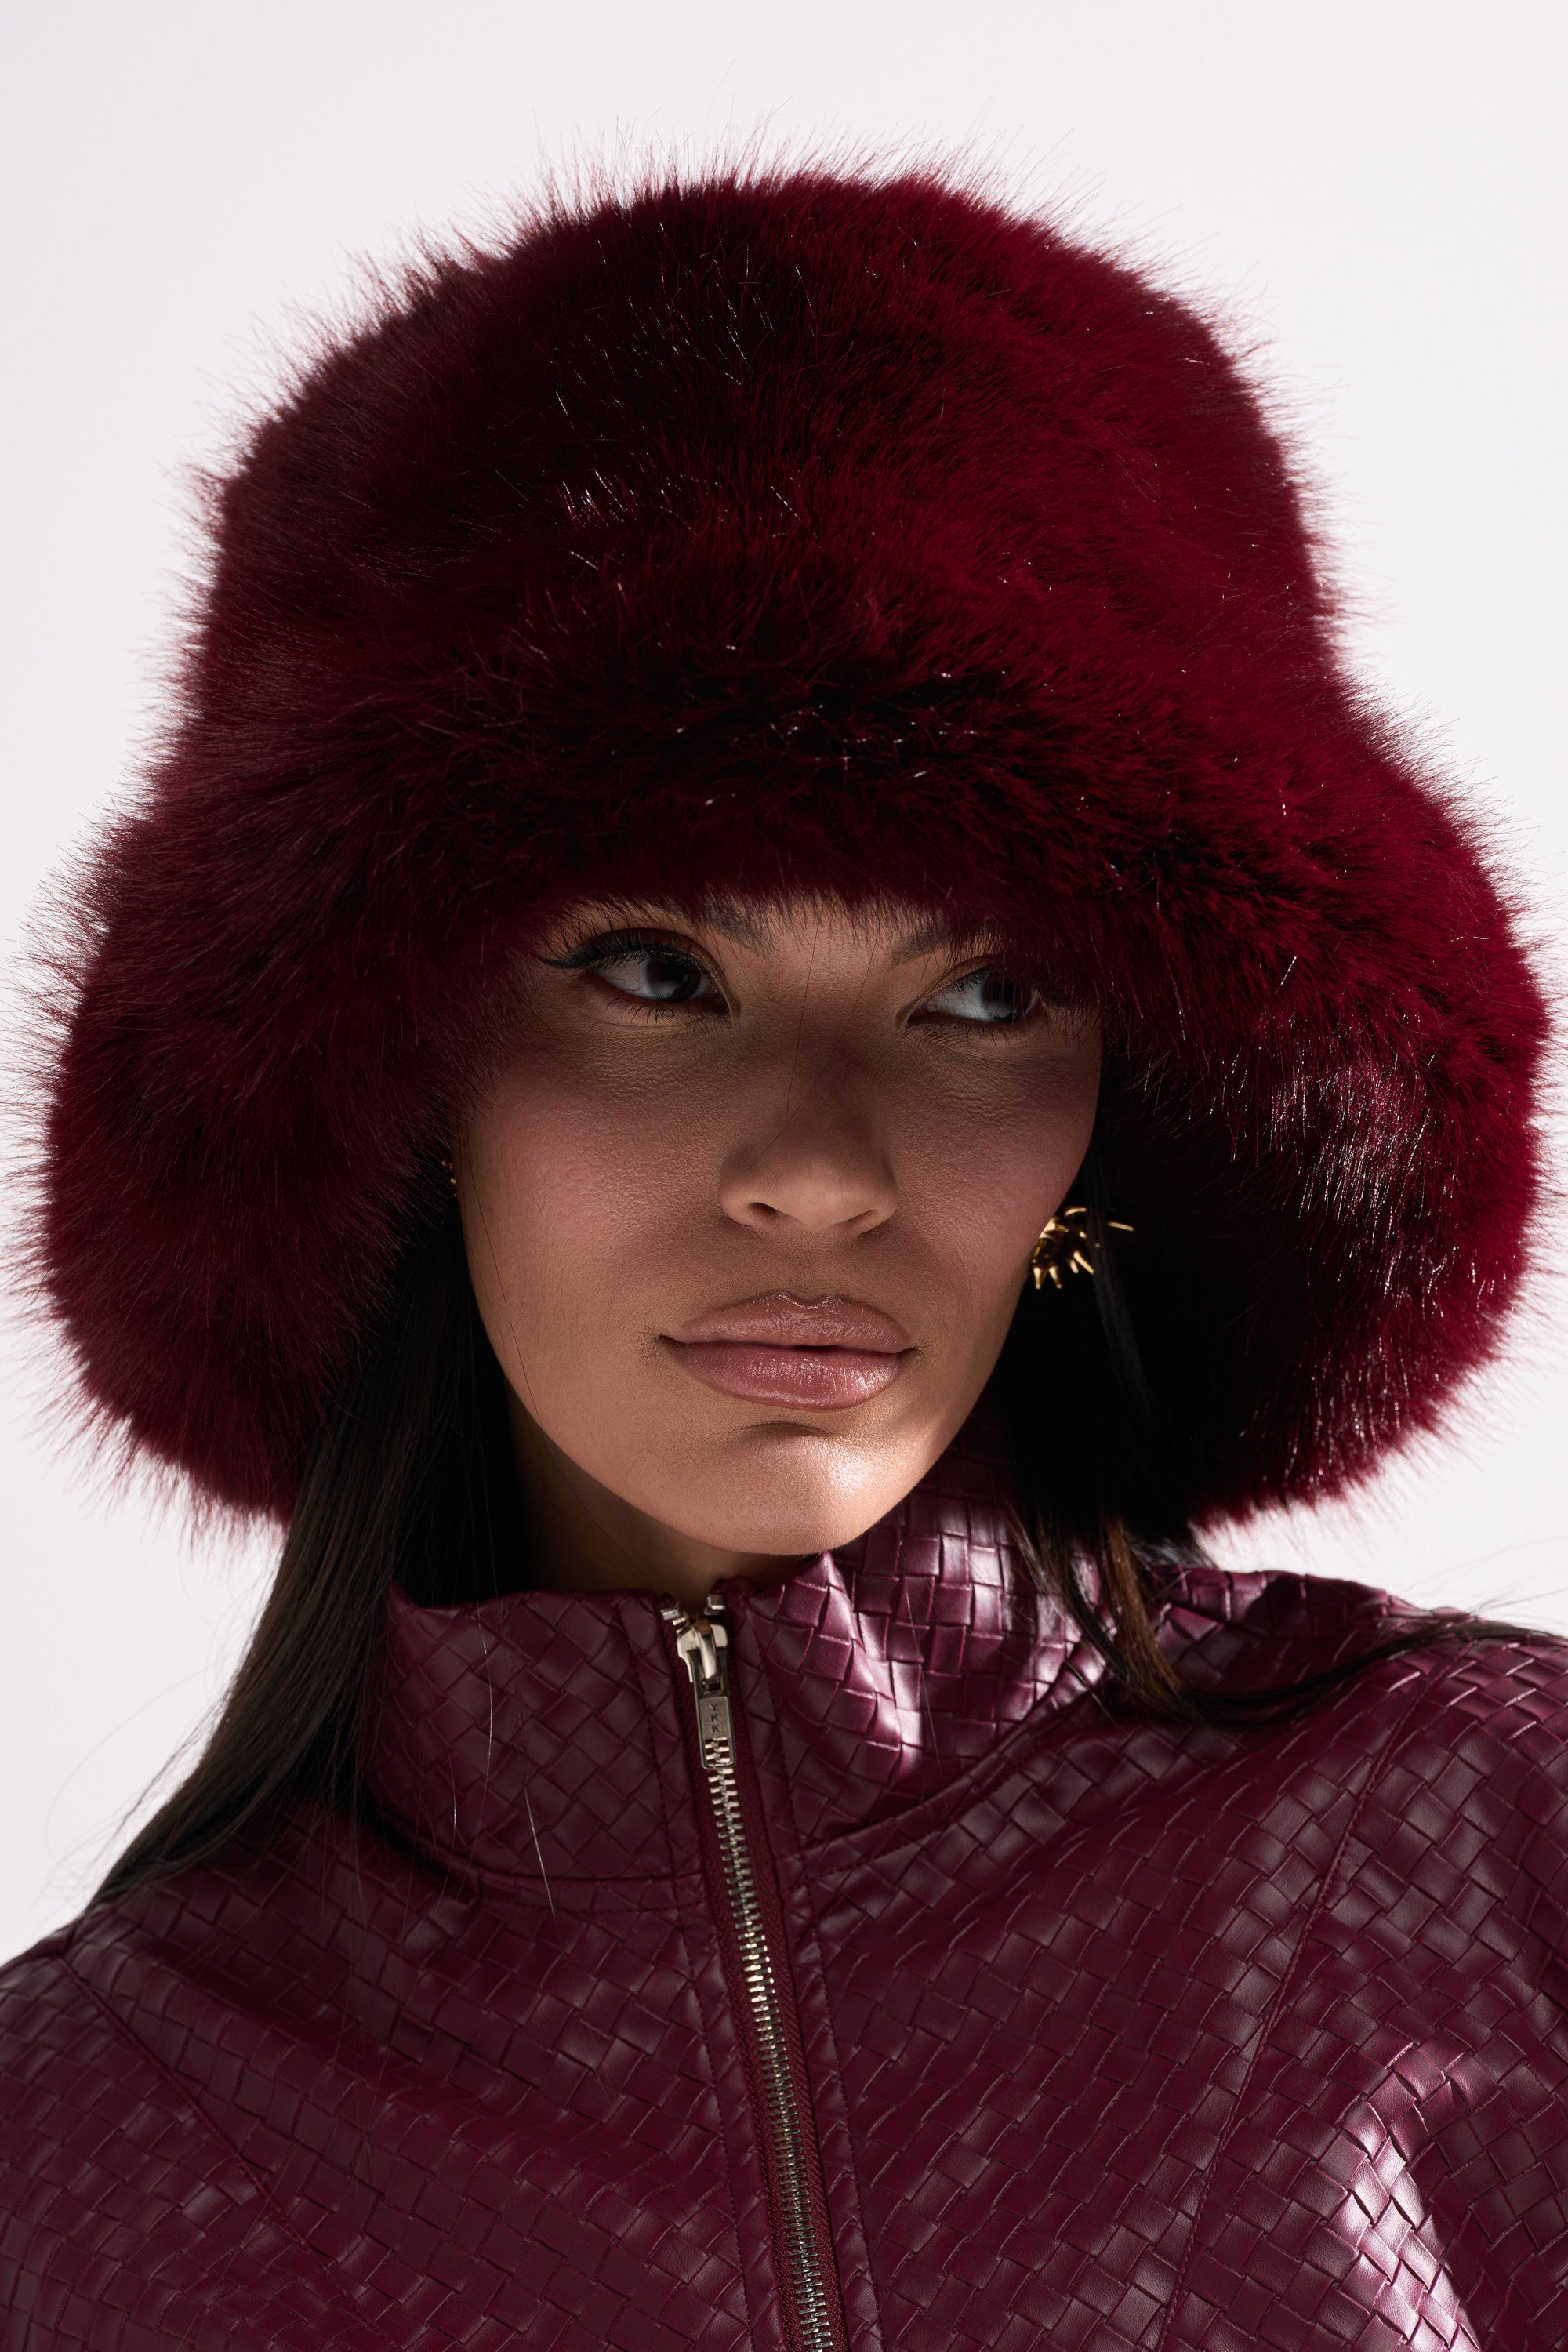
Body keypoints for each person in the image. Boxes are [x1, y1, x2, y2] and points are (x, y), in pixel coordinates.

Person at [2, 164, 1562, 2351]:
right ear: (395, 1084)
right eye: (659, 973)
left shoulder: (1495, 1859)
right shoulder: (77, 2151)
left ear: (1118, 1113)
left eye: (984, 996)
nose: (821, 1173)